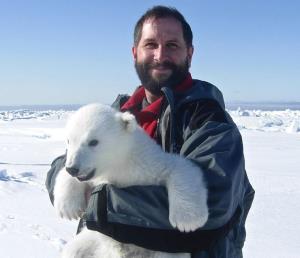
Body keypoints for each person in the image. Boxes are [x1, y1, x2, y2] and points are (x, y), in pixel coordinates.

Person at [46, 5, 254, 258]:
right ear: (135, 52)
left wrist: (100, 201)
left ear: (190, 53)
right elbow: (70, 161)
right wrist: (69, 182)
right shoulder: (114, 114)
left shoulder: (208, 119)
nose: (160, 55)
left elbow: (213, 201)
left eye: (172, 45)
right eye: (150, 44)